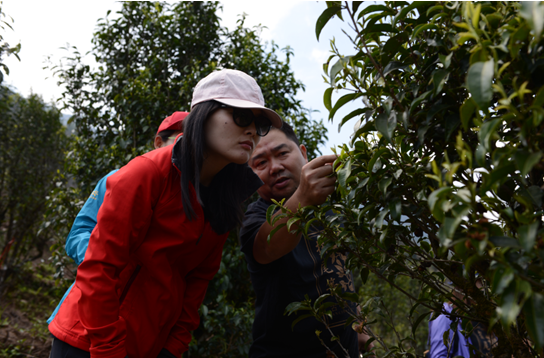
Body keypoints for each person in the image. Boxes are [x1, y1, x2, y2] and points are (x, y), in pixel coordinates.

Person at [48, 69, 282, 358]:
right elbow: (99, 267)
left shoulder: (225, 199)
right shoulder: (146, 174)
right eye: (242, 116)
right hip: (90, 341)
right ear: (203, 114)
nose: (251, 131)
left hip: (148, 346)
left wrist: (171, 350)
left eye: (259, 125)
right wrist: (108, 350)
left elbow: (195, 285)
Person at [240, 122, 370, 358]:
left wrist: (359, 325)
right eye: (260, 163)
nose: (275, 167)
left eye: (282, 153)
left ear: (303, 153)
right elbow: (266, 246)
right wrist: (304, 197)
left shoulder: (332, 206)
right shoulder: (255, 219)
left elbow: (339, 271)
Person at [47, 111, 188, 325]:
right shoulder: (119, 178)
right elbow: (78, 234)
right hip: (89, 313)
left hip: (147, 325)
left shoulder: (196, 200)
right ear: (158, 142)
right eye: (180, 140)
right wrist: (106, 261)